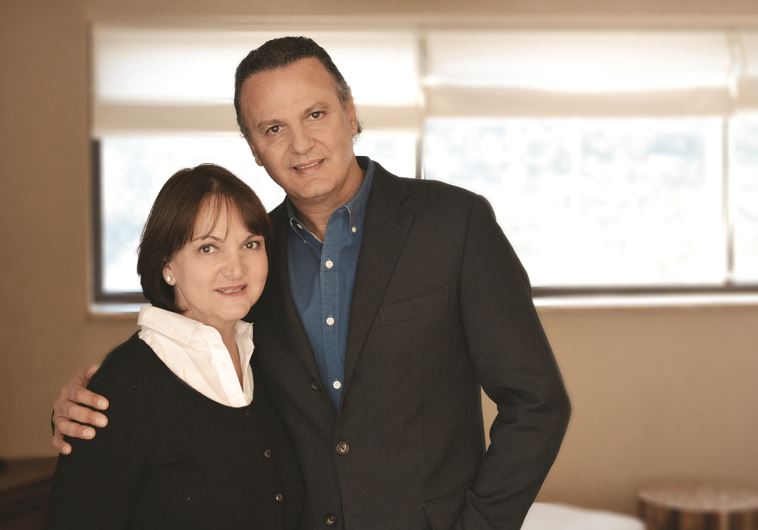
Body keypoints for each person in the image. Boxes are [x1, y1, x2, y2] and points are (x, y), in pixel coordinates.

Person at [52, 37, 570, 530]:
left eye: (315, 114)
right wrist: (90, 413)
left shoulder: (454, 223)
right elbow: (190, 371)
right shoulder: (253, 257)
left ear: (351, 113)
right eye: (273, 128)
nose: (300, 144)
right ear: (254, 147)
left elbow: (537, 402)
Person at [45, 164, 303, 529]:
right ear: (167, 264)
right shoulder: (120, 386)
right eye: (208, 248)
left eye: (250, 244)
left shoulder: (267, 357)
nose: (235, 268)